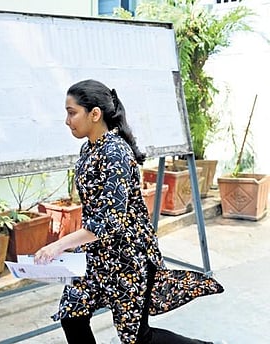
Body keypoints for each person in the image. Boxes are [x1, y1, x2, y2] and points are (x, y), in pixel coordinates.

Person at [34, 79, 224, 344]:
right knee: (72, 315)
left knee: (137, 337)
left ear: (95, 114)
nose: (67, 120)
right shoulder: (89, 148)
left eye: (71, 112)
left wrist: (59, 245)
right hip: (97, 255)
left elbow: (110, 220)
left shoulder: (116, 153)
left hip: (127, 257)